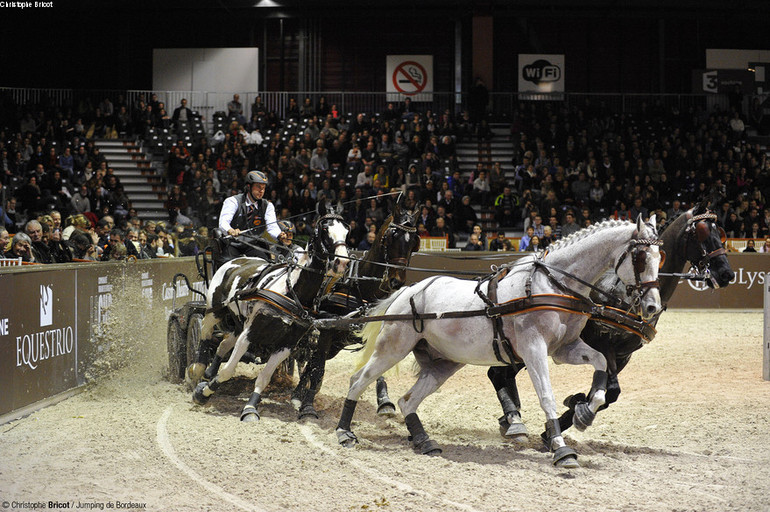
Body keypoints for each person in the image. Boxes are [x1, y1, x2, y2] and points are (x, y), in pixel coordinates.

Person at [218, 170, 285, 262]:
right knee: (227, 266)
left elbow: (272, 226)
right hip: (233, 244)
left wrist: (279, 235)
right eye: (258, 187)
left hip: (252, 245)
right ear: (249, 187)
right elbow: (223, 223)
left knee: (266, 264)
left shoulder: (268, 206)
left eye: (263, 188)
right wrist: (231, 230)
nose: (261, 191)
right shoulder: (233, 201)